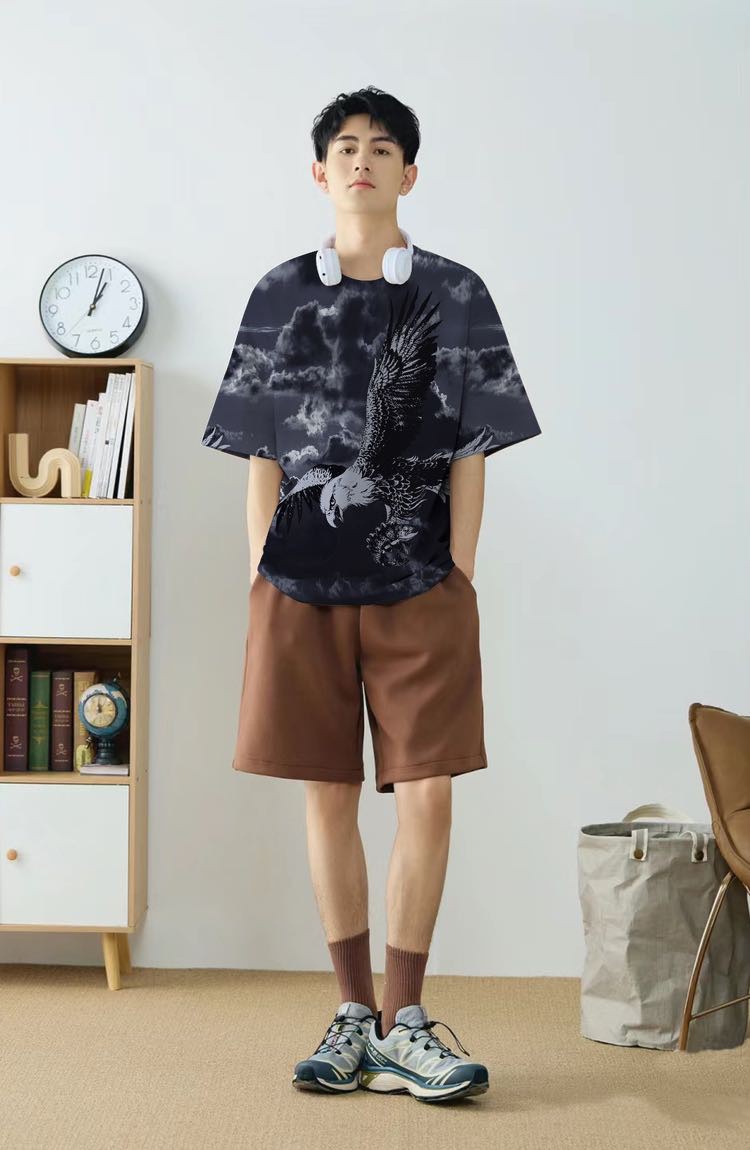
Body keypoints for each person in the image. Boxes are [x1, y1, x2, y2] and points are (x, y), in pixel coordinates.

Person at [202, 85, 542, 1104]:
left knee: (428, 791)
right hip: (298, 583)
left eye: (382, 147)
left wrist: (460, 570)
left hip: (419, 582)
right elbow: (259, 448)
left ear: (409, 173)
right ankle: (354, 1014)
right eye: (346, 147)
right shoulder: (277, 294)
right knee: (329, 792)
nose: (363, 160)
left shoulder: (456, 292)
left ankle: (407, 1018)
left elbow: (476, 444)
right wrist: (260, 565)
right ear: (320, 172)